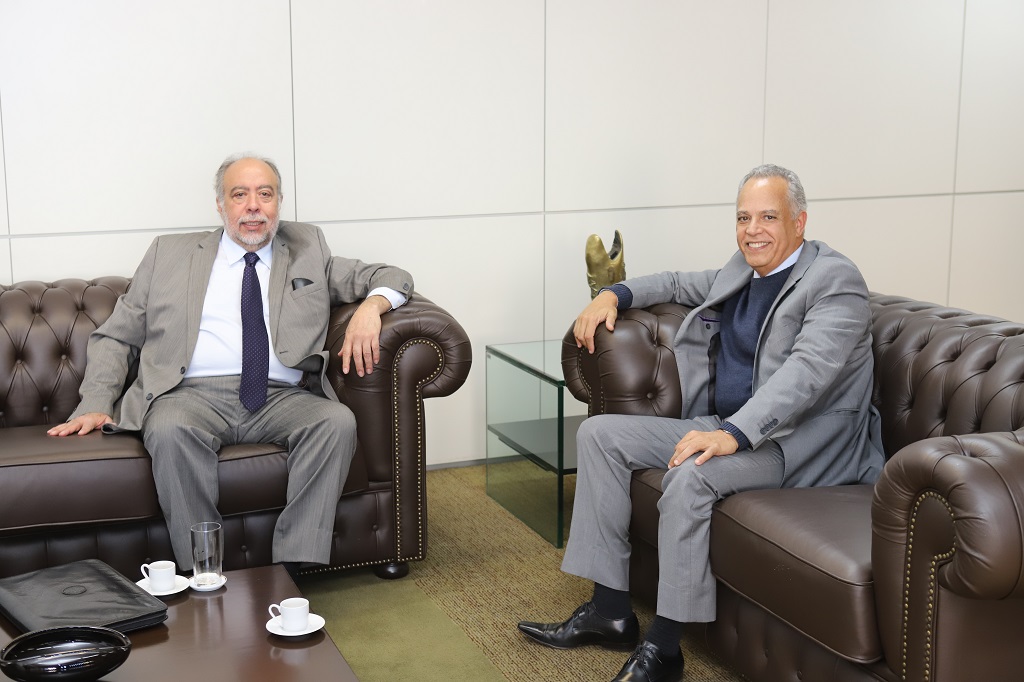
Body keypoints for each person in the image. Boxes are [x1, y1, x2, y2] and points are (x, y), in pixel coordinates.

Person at [517, 164, 884, 682]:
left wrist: (731, 434)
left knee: (689, 473)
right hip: (730, 424)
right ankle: (610, 610)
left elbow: (806, 375)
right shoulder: (744, 268)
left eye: (767, 217)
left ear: (799, 222)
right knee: (599, 435)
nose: (752, 229)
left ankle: (665, 649)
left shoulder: (835, 281)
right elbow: (674, 282)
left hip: (797, 442)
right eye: (743, 217)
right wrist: (613, 294)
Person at [48, 153, 414, 575]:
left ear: (279, 203)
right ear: (220, 205)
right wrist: (97, 400)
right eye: (239, 194)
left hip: (282, 396)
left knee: (336, 422)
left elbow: (392, 274)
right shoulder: (169, 253)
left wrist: (373, 306)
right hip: (189, 395)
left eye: (265, 194)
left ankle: (291, 570)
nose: (253, 205)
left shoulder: (307, 247)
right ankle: (204, 571)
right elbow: (118, 334)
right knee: (168, 430)